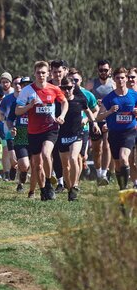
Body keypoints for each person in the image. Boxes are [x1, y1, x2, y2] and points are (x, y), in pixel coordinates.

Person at [15, 61, 68, 201]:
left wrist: (62, 116)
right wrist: (29, 106)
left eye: (43, 72)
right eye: (38, 73)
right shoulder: (27, 91)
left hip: (50, 128)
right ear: (35, 74)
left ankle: (50, 184)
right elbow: (17, 111)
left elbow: (64, 102)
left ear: (48, 73)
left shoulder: (54, 89)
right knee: (37, 165)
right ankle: (43, 190)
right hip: (33, 131)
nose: (41, 75)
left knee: (46, 154)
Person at [97, 67, 137, 190]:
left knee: (124, 158)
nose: (120, 80)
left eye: (123, 77)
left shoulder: (134, 95)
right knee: (118, 164)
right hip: (114, 134)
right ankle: (122, 188)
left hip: (129, 132)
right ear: (114, 80)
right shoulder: (109, 98)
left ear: (126, 79)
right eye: (118, 78)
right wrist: (109, 112)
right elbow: (99, 117)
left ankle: (126, 189)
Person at [56, 76, 93, 200]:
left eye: (69, 88)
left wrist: (94, 123)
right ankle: (70, 188)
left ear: (74, 87)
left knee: (73, 158)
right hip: (62, 135)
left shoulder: (80, 100)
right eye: (64, 88)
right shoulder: (58, 102)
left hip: (76, 134)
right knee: (65, 166)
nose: (66, 91)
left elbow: (88, 111)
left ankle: (75, 184)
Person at [89, 59, 115, 185]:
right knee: (96, 149)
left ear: (110, 70)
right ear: (97, 70)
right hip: (95, 120)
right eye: (101, 70)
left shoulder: (113, 85)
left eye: (106, 70)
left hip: (109, 119)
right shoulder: (91, 84)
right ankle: (98, 173)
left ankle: (105, 174)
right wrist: (95, 103)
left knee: (106, 146)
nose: (103, 72)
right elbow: (86, 100)